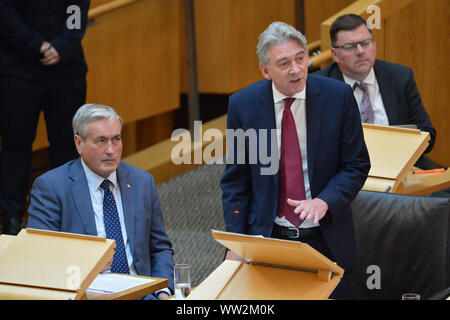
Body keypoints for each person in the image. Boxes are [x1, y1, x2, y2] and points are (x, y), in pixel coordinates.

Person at [220, 22, 370, 299]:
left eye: (301, 58)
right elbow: (236, 183)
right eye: (284, 63)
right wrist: (237, 242)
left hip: (327, 239)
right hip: (269, 240)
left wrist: (325, 200)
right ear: (265, 71)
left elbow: (356, 165)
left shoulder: (338, 97)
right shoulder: (244, 105)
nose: (296, 69)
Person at [27, 104, 174, 300]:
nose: (111, 150)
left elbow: (160, 248)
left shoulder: (141, 182)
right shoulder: (52, 187)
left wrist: (163, 293)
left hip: (142, 293)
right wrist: (87, 264)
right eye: (101, 141)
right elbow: (40, 258)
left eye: (116, 139)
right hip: (88, 294)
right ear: (79, 143)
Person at [0, 0, 90, 234]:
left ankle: (64, 215)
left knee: (66, 147)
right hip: (17, 69)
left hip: (67, 68)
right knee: (15, 146)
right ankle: (11, 218)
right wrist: (36, 44)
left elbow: (77, 9)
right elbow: (5, 10)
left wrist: (62, 45)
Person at [315, 14, 436, 168]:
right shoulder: (321, 85)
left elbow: (428, 133)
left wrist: (402, 147)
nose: (360, 51)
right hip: (345, 171)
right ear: (334, 54)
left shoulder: (401, 77)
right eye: (350, 47)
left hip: (401, 166)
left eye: (365, 43)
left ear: (374, 43)